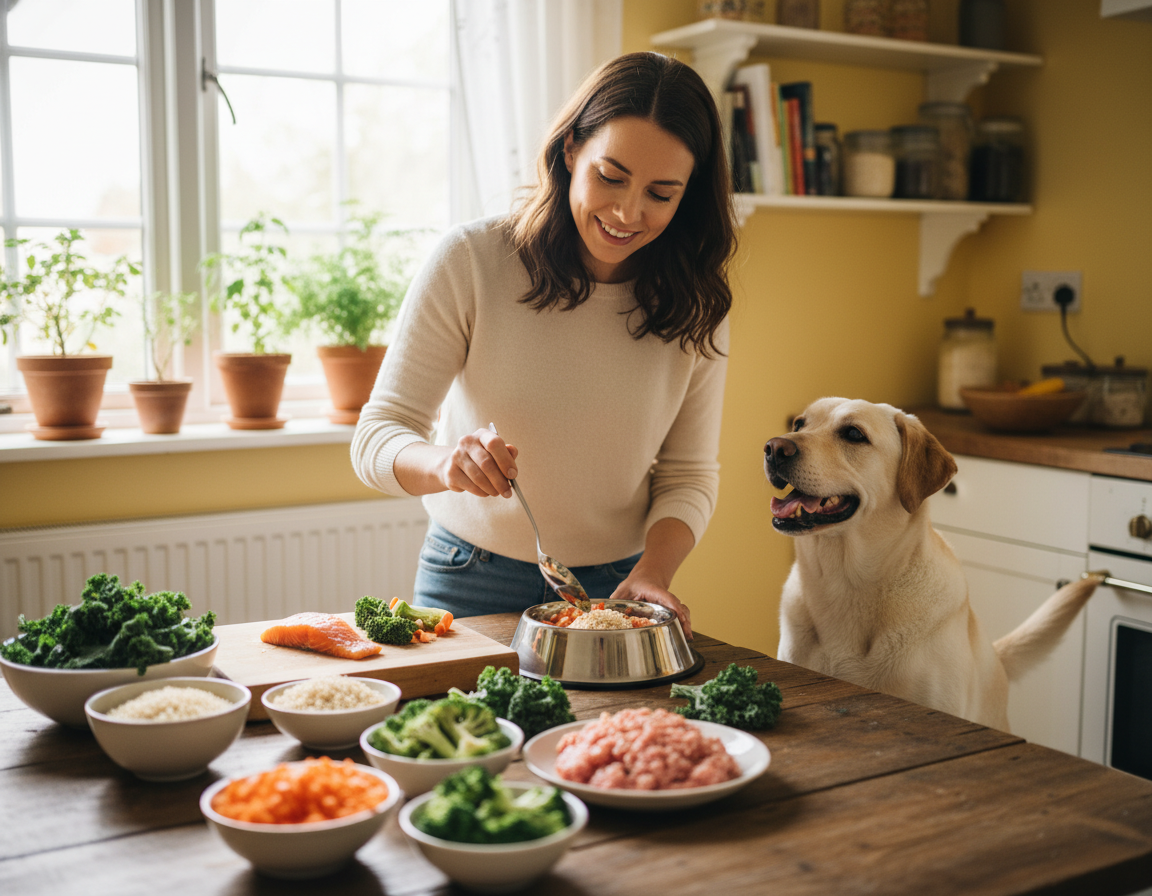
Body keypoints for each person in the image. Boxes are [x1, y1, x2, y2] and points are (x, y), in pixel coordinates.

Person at [351, 51, 736, 638]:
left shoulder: (698, 304)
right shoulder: (473, 261)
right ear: (569, 151)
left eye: (661, 193)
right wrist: (446, 464)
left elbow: (688, 474)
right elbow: (377, 436)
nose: (627, 212)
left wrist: (654, 572)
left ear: (689, 195)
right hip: (469, 574)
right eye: (610, 176)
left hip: (618, 585)